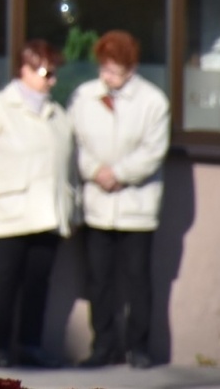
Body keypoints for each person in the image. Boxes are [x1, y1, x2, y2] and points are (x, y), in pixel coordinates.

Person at [0, 40, 79, 369]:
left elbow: (70, 171)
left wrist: (73, 211)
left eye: (54, 73)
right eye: (46, 72)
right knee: (6, 280)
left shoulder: (58, 116)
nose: (52, 80)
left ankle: (30, 346)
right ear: (24, 69)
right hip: (9, 211)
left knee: (39, 282)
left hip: (49, 214)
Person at [69, 30, 170, 369]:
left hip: (136, 208)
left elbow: (153, 151)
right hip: (97, 206)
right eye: (104, 68)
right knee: (99, 281)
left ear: (131, 69)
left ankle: (138, 348)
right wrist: (95, 170)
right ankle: (103, 346)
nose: (107, 76)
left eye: (114, 70)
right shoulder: (84, 97)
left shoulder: (153, 102)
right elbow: (74, 142)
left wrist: (120, 174)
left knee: (138, 280)